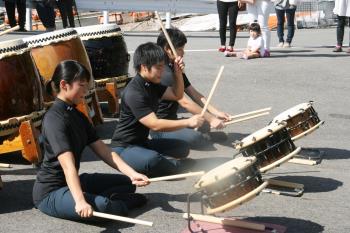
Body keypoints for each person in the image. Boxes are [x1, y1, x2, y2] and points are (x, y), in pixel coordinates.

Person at [33, 60, 149, 222]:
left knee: (128, 183)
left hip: (74, 182)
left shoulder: (77, 115)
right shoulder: (54, 119)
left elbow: (105, 152)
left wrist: (132, 173)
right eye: (81, 85)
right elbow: (68, 166)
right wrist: (80, 201)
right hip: (50, 192)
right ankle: (111, 203)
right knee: (106, 208)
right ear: (64, 84)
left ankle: (100, 198)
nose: (86, 91)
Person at [111, 42, 205, 177]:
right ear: (144, 67)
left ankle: (156, 162)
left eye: (163, 67)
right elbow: (154, 124)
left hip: (142, 142)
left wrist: (177, 73)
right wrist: (188, 122)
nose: (162, 71)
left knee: (182, 148)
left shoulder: (151, 84)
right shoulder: (134, 92)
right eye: (159, 67)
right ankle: (171, 165)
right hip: (123, 148)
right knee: (153, 160)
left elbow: (176, 95)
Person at [151, 28, 230, 149]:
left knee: (203, 122)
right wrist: (212, 119)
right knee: (196, 138)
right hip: (161, 128)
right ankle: (200, 138)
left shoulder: (174, 67)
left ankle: (202, 136)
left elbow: (193, 93)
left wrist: (215, 112)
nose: (183, 52)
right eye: (180, 49)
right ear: (168, 49)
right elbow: (185, 102)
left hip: (174, 120)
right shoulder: (164, 72)